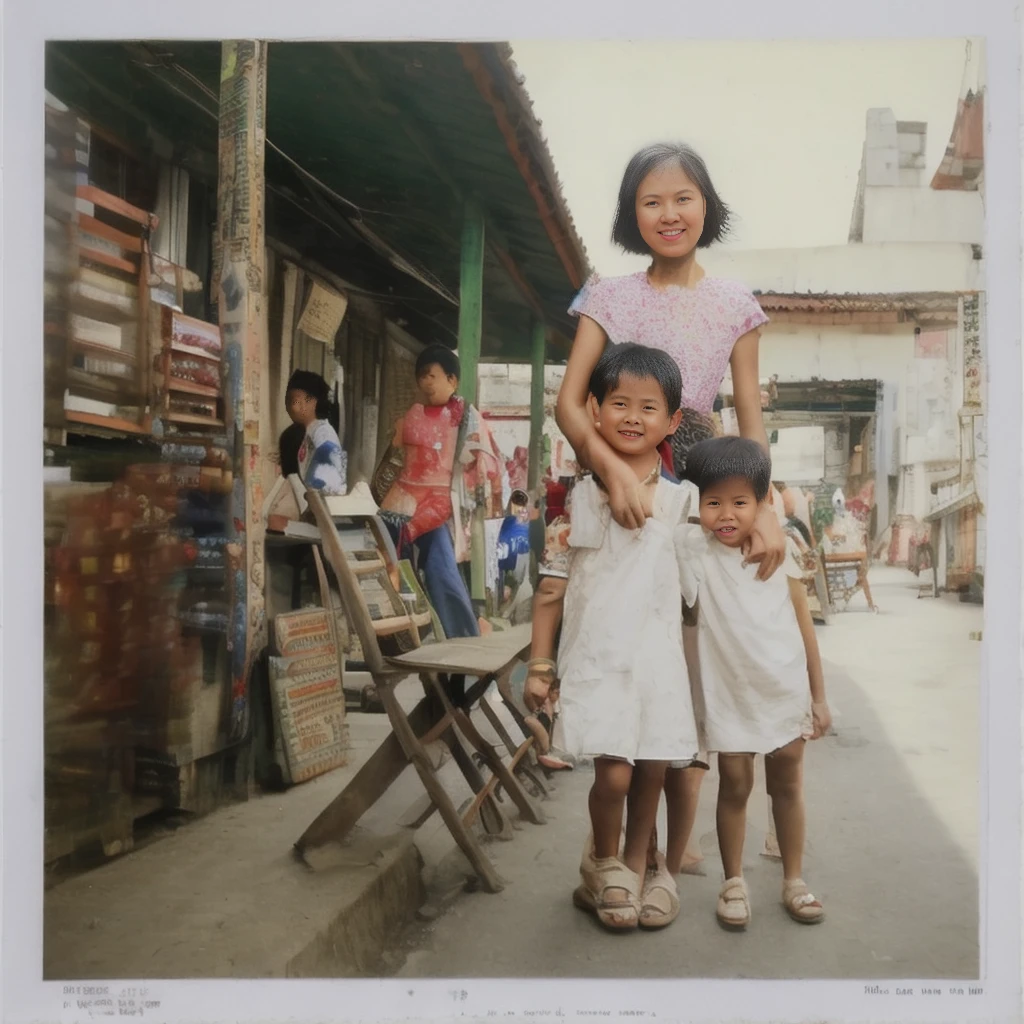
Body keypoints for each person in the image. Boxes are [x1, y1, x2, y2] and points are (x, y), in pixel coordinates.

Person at [546, 140, 790, 879]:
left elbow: (748, 420)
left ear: (706, 205)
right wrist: (615, 472)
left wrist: (766, 507)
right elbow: (568, 401)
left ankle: (664, 851)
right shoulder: (607, 295)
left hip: (704, 488)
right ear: (632, 215)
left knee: (690, 665)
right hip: (619, 481)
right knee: (627, 653)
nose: (668, 213)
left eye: (682, 197)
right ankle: (614, 855)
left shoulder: (735, 305)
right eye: (650, 201)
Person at [525, 344, 700, 932]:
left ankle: (634, 864)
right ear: (592, 412)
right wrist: (540, 667)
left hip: (657, 660)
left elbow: (699, 587)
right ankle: (604, 862)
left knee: (652, 767)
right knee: (615, 773)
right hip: (600, 658)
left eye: (648, 407)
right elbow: (550, 591)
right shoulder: (575, 502)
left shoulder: (682, 504)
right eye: (618, 403)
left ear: (672, 422)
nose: (632, 416)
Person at [677, 436, 831, 928]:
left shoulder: (778, 550)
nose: (725, 514)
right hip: (730, 691)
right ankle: (733, 881)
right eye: (713, 502)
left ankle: (794, 880)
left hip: (783, 687)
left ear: (762, 504)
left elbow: (805, 628)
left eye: (740, 502)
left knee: (787, 781)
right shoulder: (694, 552)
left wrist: (819, 696)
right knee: (735, 784)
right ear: (696, 502)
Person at [373, 344, 505, 640]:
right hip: (400, 500)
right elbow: (394, 457)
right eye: (422, 376)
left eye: (432, 375)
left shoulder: (466, 416)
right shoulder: (411, 413)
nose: (426, 382)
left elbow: (484, 463)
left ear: (452, 380)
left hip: (439, 505)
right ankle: (395, 636)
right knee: (388, 568)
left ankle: (461, 637)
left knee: (441, 572)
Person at [284, 370, 347, 495]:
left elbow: (329, 477)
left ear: (310, 402)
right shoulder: (310, 432)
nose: (291, 407)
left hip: (325, 505)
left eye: (295, 401)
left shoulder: (323, 433)